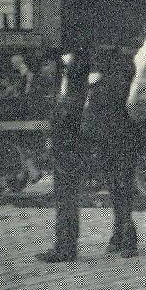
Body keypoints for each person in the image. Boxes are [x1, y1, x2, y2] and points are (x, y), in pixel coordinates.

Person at [36, 51, 89, 263]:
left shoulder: (72, 98)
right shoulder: (69, 94)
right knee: (65, 200)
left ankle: (65, 248)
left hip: (68, 154)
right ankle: (66, 246)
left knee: (65, 200)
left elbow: (65, 123)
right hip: (66, 152)